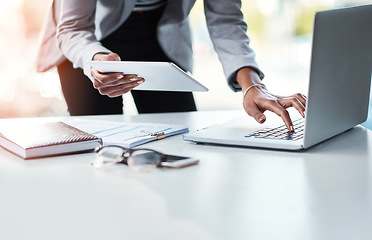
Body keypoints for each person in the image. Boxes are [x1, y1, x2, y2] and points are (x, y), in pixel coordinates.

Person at [36, 0, 306, 132]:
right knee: (99, 141)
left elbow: (226, 21)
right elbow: (73, 28)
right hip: (87, 43)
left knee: (178, 139)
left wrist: (252, 86)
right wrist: (95, 60)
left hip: (159, 36)